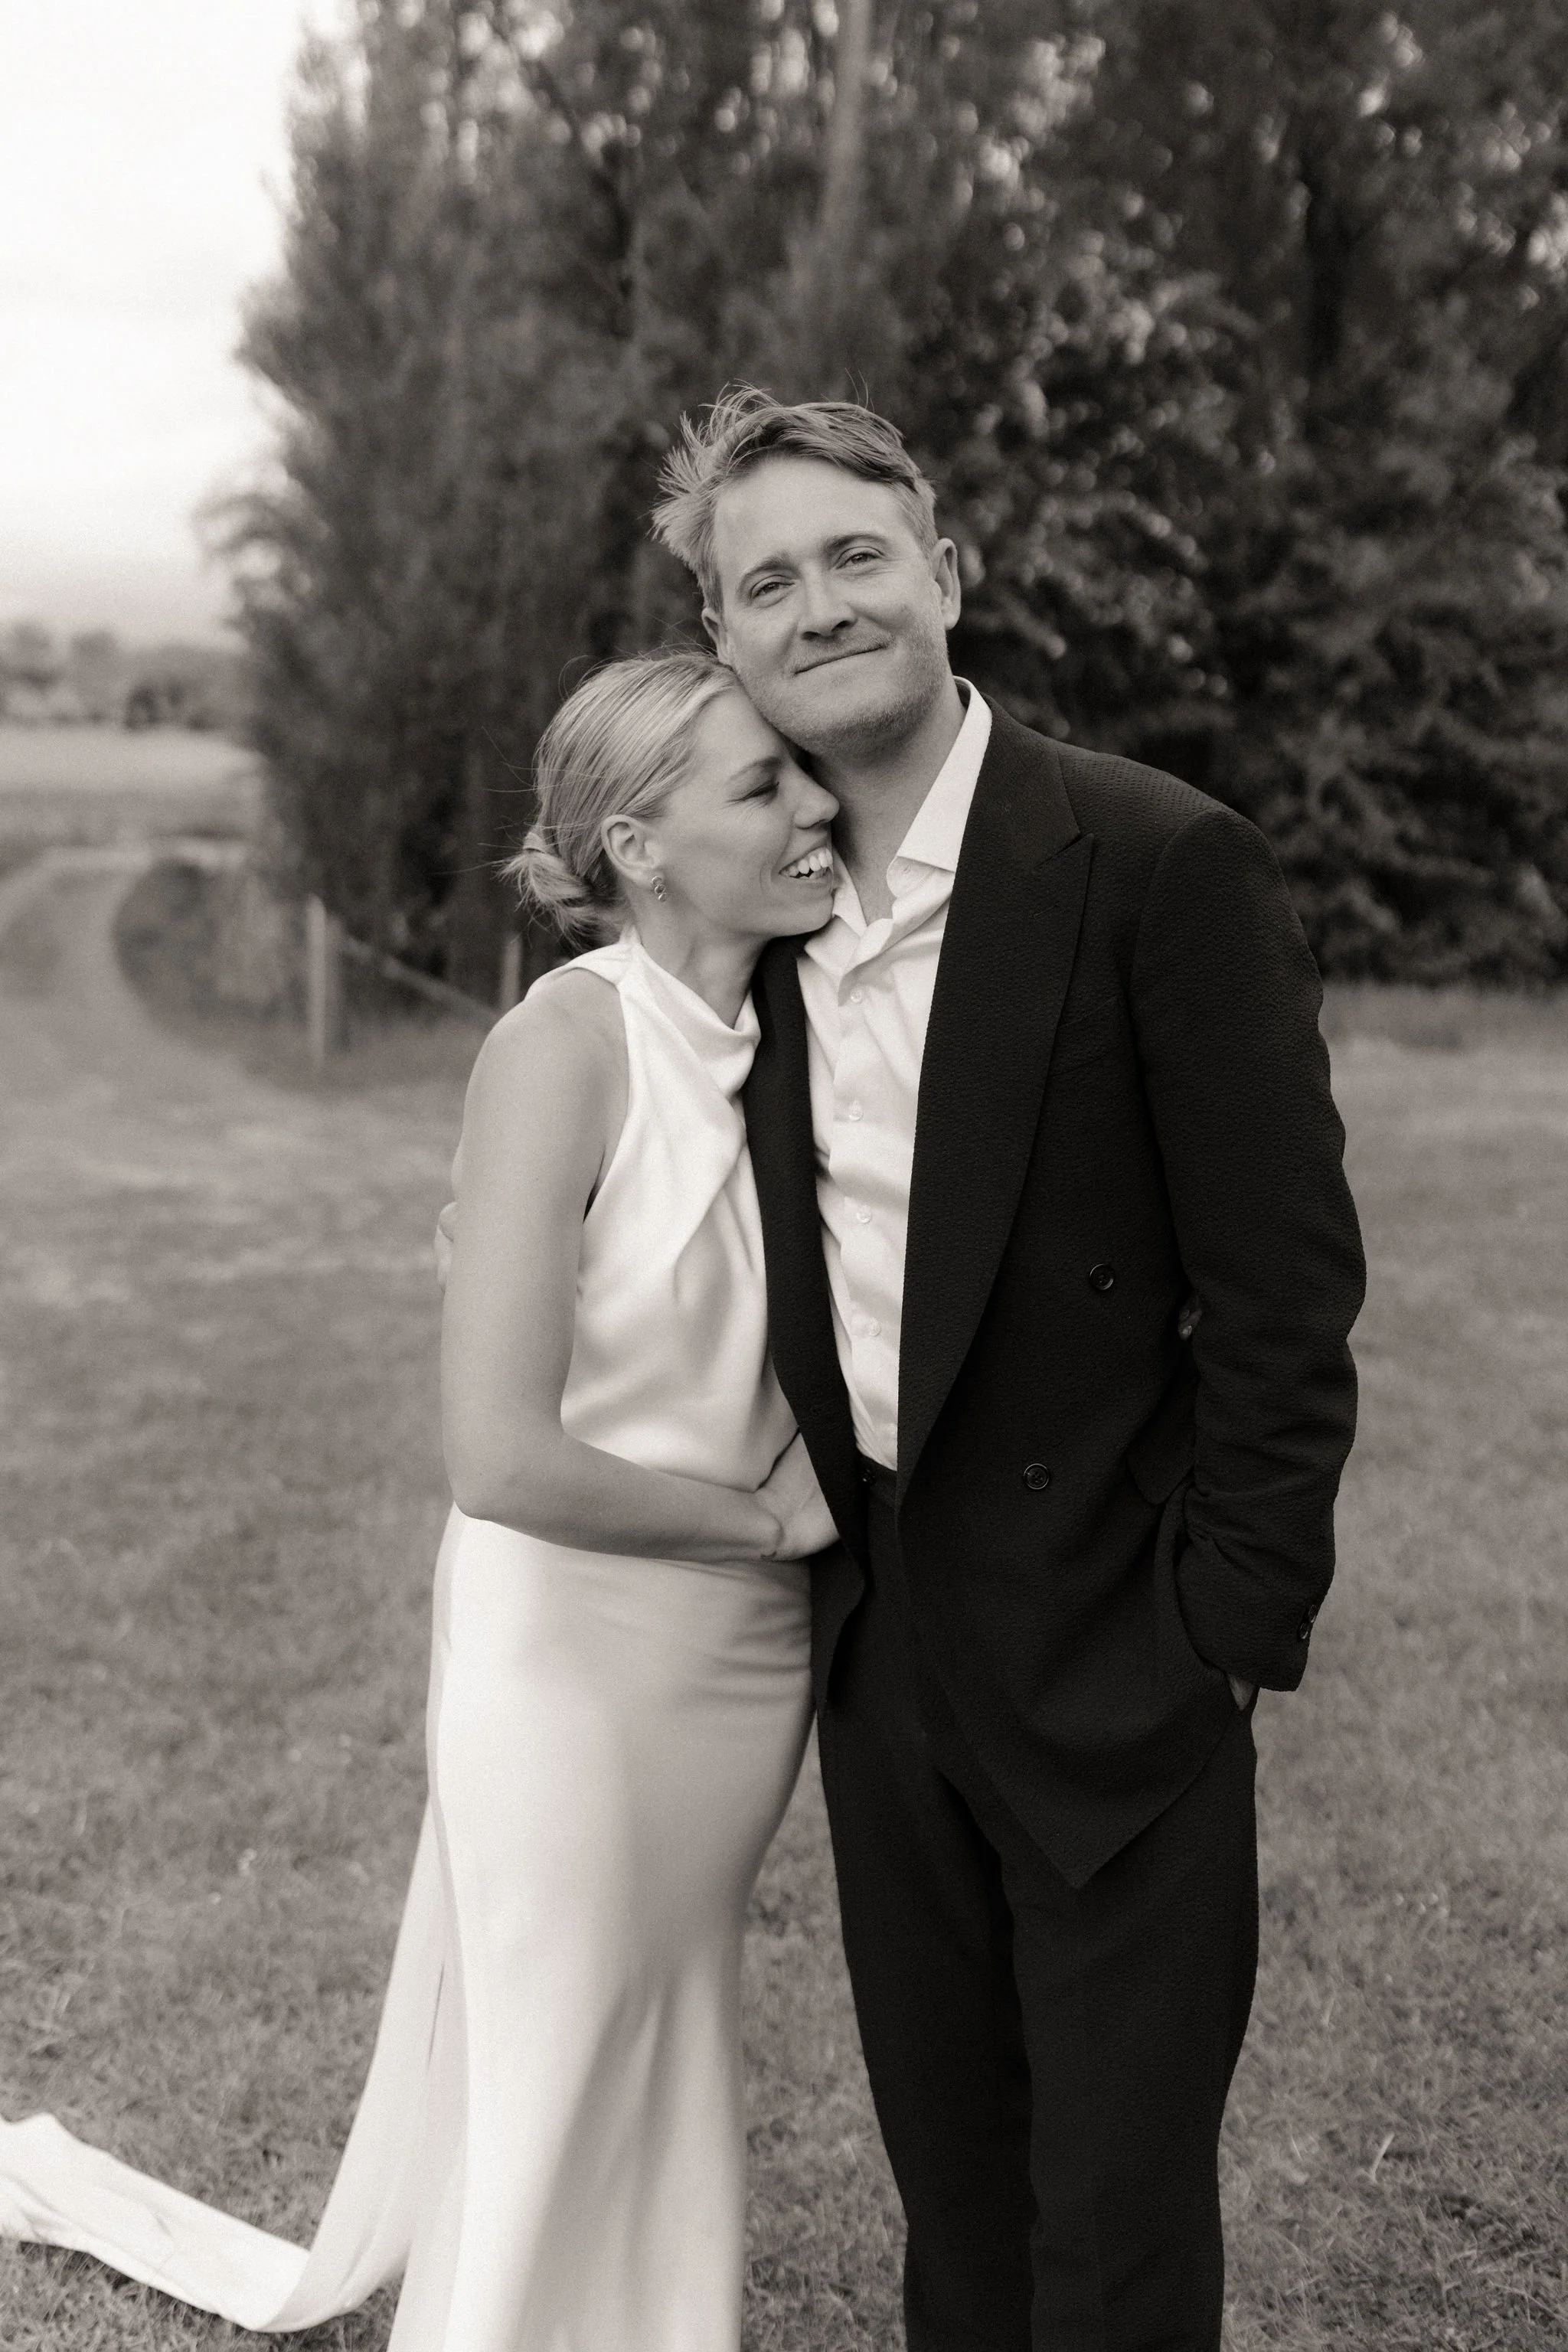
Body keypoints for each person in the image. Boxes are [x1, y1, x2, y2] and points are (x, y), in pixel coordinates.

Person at [0, 651, 844, 2350]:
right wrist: (763, 1526)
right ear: (638, 847)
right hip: (573, 1642)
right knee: (552, 2042)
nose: (821, 803)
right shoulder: (559, 1047)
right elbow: (500, 1458)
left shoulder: (806, 1028)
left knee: (661, 2017)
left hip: (743, 1662)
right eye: (764, 784)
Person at [645, 387, 1367, 2352]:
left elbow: (1285, 1292)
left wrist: (1222, 1631)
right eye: (766, 584)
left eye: (854, 556)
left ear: (946, 574)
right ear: (722, 636)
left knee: (1111, 2239)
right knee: (956, 2213)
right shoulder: (757, 912)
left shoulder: (1155, 862)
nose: (818, 607)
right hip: (884, 1654)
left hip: (1120, 1646)